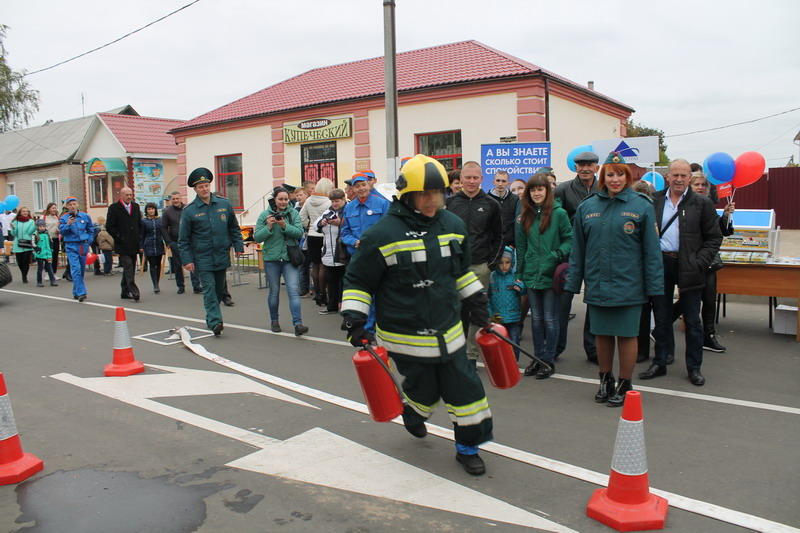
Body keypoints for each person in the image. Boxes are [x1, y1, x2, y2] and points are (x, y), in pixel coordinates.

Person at [340, 154, 493, 476]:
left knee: (466, 391)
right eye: (424, 195)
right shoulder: (382, 234)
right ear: (406, 195)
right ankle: (415, 411)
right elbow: (359, 280)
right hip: (404, 333)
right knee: (424, 387)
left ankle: (468, 447)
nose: (431, 202)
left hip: (449, 330)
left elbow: (461, 272)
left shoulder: (452, 225)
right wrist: (354, 319)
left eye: (437, 195)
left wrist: (478, 303)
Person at [566, 152, 663, 406]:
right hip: (598, 283)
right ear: (603, 176)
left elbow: (652, 251)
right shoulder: (588, 207)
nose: (615, 179)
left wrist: (655, 286)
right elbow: (578, 250)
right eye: (611, 174)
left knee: (627, 335)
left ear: (628, 176)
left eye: (620, 174)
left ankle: (625, 382)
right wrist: (573, 283)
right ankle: (605, 379)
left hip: (630, 284)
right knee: (602, 334)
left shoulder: (641, 205)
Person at [639, 159, 722, 386]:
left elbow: (714, 238)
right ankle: (660, 361)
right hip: (661, 264)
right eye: (674, 175)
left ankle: (694, 368)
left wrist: (700, 261)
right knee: (663, 317)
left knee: (693, 320)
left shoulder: (702, 203)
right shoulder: (653, 201)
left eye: (683, 176)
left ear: (689, 177)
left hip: (690, 267)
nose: (678, 179)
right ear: (667, 177)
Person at [445, 161, 504, 369]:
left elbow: (499, 236)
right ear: (460, 179)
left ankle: (470, 356)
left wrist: (491, 264)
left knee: (475, 312)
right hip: (453, 268)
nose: (471, 181)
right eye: (467, 177)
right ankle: (455, 353)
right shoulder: (450, 204)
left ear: (481, 179)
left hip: (480, 266)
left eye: (475, 177)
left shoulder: (491, 204)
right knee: (454, 311)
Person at [515, 174, 572, 379]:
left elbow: (569, 239)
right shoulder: (526, 214)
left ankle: (548, 359)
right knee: (537, 319)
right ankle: (537, 358)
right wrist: (519, 273)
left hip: (551, 273)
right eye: (533, 190)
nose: (537, 193)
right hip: (531, 273)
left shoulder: (559, 214)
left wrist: (555, 255)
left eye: (541, 189)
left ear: (548, 191)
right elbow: (521, 247)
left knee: (550, 318)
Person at [178, 167, 244, 336]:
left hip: (221, 254)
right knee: (208, 288)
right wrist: (187, 260)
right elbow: (183, 240)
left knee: (218, 289)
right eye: (201, 187)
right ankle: (216, 322)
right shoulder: (190, 210)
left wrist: (238, 246)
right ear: (195, 189)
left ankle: (211, 317)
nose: (205, 189)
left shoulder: (224, 204)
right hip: (202, 257)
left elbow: (233, 228)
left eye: (206, 185)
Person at [553, 151, 600, 363]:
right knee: (563, 303)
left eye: (589, 164)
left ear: (597, 167)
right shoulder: (562, 190)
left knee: (594, 302)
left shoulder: (605, 189)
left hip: (596, 255)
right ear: (575, 168)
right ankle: (555, 347)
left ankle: (592, 349)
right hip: (570, 256)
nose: (585, 168)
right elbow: (554, 223)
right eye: (581, 165)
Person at [683, 172, 735, 353]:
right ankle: (661, 328)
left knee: (710, 298)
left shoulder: (709, 206)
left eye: (703, 185)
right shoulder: (684, 206)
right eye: (696, 184)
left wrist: (726, 216)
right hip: (690, 261)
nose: (700, 187)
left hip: (709, 261)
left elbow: (721, 233)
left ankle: (708, 335)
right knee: (689, 299)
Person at [340, 172, 391, 334]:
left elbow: (389, 230)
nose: (361, 188)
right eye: (357, 186)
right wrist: (353, 241)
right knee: (364, 293)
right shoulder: (349, 207)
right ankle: (369, 329)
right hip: (358, 258)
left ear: (369, 185)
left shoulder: (383, 204)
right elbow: (345, 232)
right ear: (353, 189)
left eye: (363, 184)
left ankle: (383, 327)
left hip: (379, 258)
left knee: (381, 294)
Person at [254, 187, 308, 336]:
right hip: (272, 259)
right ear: (275, 200)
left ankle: (298, 324)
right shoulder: (264, 215)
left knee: (293, 291)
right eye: (280, 199)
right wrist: (269, 226)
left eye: (286, 199)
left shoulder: (293, 213)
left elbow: (299, 233)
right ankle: (274, 321)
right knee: (274, 292)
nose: (283, 202)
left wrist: (285, 226)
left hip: (290, 258)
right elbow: (257, 237)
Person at [487, 246, 525, 360]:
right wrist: (490, 314)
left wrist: (521, 287)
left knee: (514, 341)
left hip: (513, 316)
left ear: (512, 262)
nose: (504, 266)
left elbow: (524, 290)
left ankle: (514, 362)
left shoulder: (515, 276)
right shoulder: (492, 277)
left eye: (507, 262)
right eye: (501, 262)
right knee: (497, 341)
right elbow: (487, 298)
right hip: (496, 316)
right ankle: (499, 361)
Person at [300, 177, 333, 306]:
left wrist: (309, 225)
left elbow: (301, 217)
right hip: (324, 235)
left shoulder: (308, 200)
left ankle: (316, 293)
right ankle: (323, 294)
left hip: (312, 235)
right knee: (323, 266)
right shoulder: (328, 202)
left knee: (315, 265)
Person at [106, 187, 142, 301]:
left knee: (129, 268)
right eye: (127, 195)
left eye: (131, 194)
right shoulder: (114, 208)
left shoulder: (135, 207)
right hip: (122, 244)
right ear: (121, 195)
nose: (129, 197)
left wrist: (139, 237)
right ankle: (134, 291)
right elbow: (109, 226)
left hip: (134, 243)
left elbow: (139, 223)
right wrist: (118, 237)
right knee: (128, 267)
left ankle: (124, 291)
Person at [161, 191, 202, 294]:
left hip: (190, 241)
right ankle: (180, 286)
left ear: (181, 198)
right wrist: (168, 242)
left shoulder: (188, 209)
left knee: (193, 263)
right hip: (175, 242)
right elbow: (163, 227)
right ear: (171, 200)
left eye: (177, 198)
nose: (175, 201)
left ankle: (196, 286)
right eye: (173, 199)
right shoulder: (167, 212)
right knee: (178, 265)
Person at [316, 188, 347, 315]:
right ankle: (332, 306)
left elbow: (353, 225)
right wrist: (321, 223)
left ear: (343, 200)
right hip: (329, 252)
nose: (335, 203)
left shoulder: (348, 210)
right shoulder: (327, 212)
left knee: (346, 282)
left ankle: (346, 307)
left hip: (344, 252)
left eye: (337, 201)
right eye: (333, 201)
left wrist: (341, 223)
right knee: (331, 281)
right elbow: (316, 225)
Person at [58, 197, 93, 301]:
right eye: (70, 205)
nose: (72, 206)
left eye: (74, 204)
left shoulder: (85, 216)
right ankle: (82, 292)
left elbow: (90, 229)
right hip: (71, 245)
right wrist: (68, 224)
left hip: (83, 245)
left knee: (81, 269)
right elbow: (62, 232)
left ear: (77, 205)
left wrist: (89, 241)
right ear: (67, 207)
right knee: (75, 268)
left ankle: (76, 291)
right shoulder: (64, 218)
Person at [487, 170, 520, 249]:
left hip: (510, 246)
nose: (500, 184)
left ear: (508, 183)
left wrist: (514, 243)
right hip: (491, 246)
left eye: (503, 181)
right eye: (498, 180)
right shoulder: (486, 199)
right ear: (493, 182)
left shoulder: (515, 200)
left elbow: (517, 223)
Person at [140, 202, 165, 294]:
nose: (151, 211)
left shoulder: (160, 220)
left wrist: (167, 242)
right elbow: (142, 235)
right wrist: (141, 246)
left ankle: (157, 282)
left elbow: (163, 232)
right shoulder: (144, 221)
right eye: (149, 209)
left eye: (152, 209)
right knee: (152, 264)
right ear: (146, 211)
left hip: (158, 244)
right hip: (149, 244)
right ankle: (155, 284)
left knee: (158, 264)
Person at [10, 206, 36, 284]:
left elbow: (30, 232)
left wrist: (35, 226)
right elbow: (13, 234)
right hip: (18, 244)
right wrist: (13, 228)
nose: (25, 212)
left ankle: (24, 276)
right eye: (23, 211)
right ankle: (23, 273)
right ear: (20, 213)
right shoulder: (16, 221)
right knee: (19, 261)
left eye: (26, 211)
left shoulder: (31, 221)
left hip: (27, 243)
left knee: (25, 261)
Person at [32, 219, 57, 287]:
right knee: (40, 268)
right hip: (40, 254)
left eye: (43, 226)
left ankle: (52, 280)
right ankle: (39, 281)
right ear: (38, 227)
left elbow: (51, 242)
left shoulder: (48, 234)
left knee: (50, 268)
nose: (42, 228)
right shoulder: (35, 234)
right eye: (40, 226)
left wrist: (51, 250)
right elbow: (33, 244)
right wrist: (37, 250)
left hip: (48, 254)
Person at [43, 203, 61, 274]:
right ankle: (47, 272)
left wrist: (59, 231)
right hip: (47, 239)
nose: (54, 209)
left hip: (55, 238)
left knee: (55, 255)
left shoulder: (57, 217)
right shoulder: (44, 217)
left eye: (55, 208)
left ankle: (54, 273)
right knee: (48, 256)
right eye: (53, 208)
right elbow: (40, 227)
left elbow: (59, 226)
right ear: (49, 209)